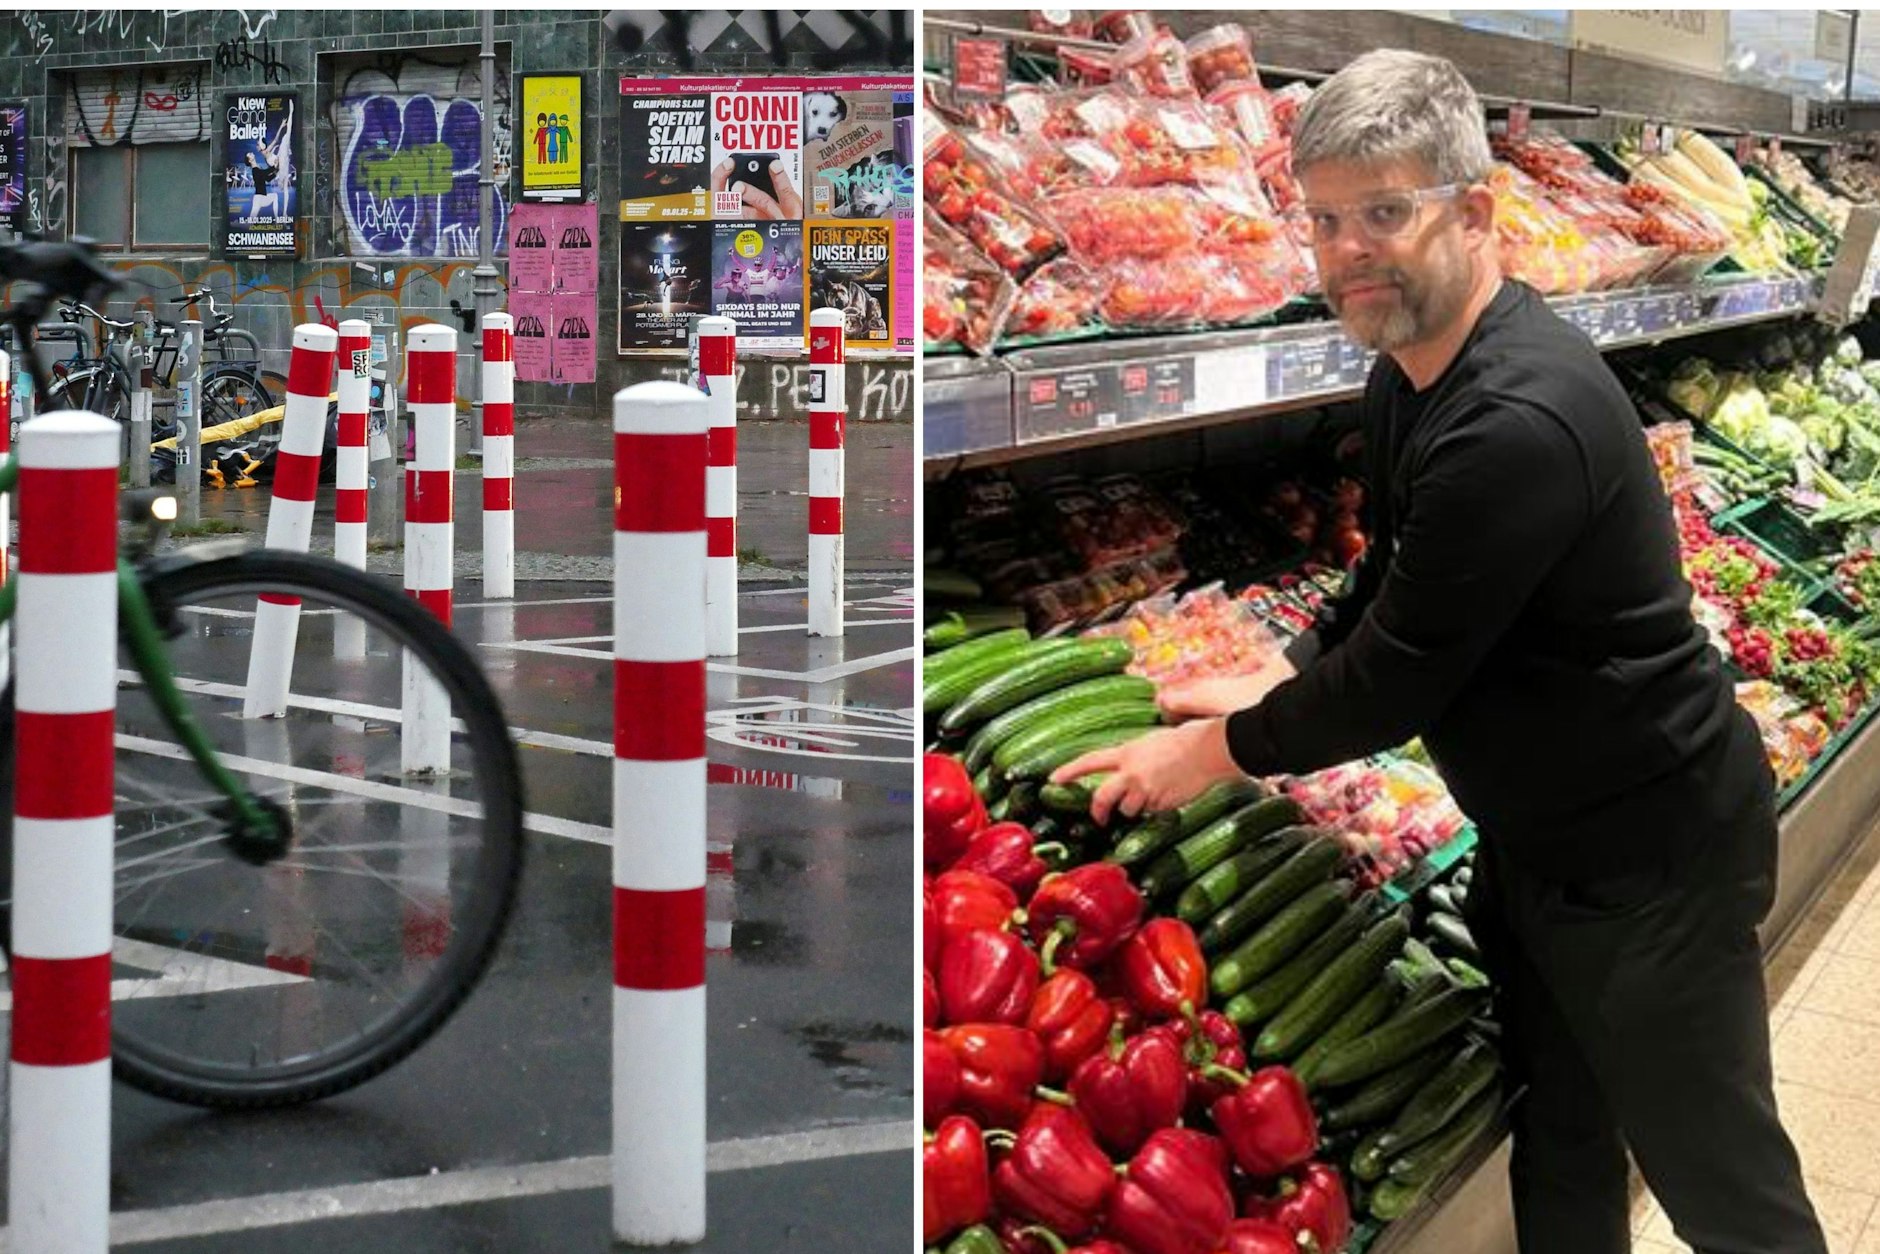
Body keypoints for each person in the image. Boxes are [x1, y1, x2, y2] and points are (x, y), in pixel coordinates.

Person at [1053, 49, 1827, 1254]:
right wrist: (1283, 660)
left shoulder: (1513, 419)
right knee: (1561, 1130)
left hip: (1647, 857)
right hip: (1542, 836)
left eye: (1384, 212)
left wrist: (1208, 751)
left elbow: (1399, 678)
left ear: (1473, 211)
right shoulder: (1415, 374)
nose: (1348, 249)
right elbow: (1383, 581)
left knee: (1718, 1179)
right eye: (1323, 220)